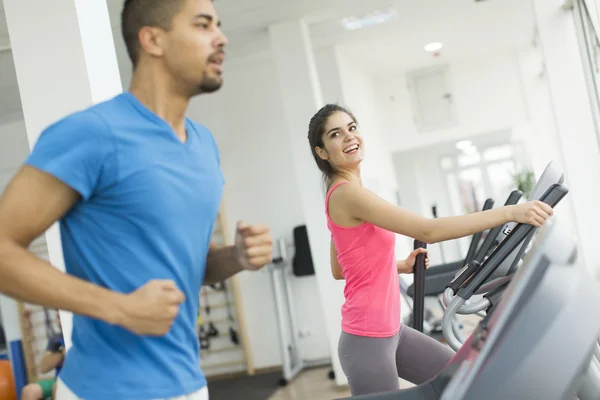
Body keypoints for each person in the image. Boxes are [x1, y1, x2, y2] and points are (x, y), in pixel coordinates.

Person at [0, 1, 273, 399]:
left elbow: (185, 265)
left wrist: (236, 258)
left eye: (219, 25)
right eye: (203, 25)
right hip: (106, 389)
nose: (221, 37)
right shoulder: (92, 134)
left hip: (189, 384)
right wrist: (121, 308)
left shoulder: (203, 146)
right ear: (152, 40)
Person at [307, 103, 554, 396]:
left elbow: (340, 268)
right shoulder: (348, 194)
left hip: (393, 333)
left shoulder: (345, 193)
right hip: (367, 340)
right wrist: (510, 212)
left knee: (465, 380)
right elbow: (428, 230)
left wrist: (399, 266)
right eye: (336, 134)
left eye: (352, 128)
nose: (349, 137)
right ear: (322, 151)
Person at [21, 320, 65, 400]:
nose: (59, 321)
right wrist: (61, 354)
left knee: (58, 388)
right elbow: (43, 368)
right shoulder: (56, 339)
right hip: (58, 379)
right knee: (29, 391)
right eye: (57, 317)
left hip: (77, 379)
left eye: (60, 317)